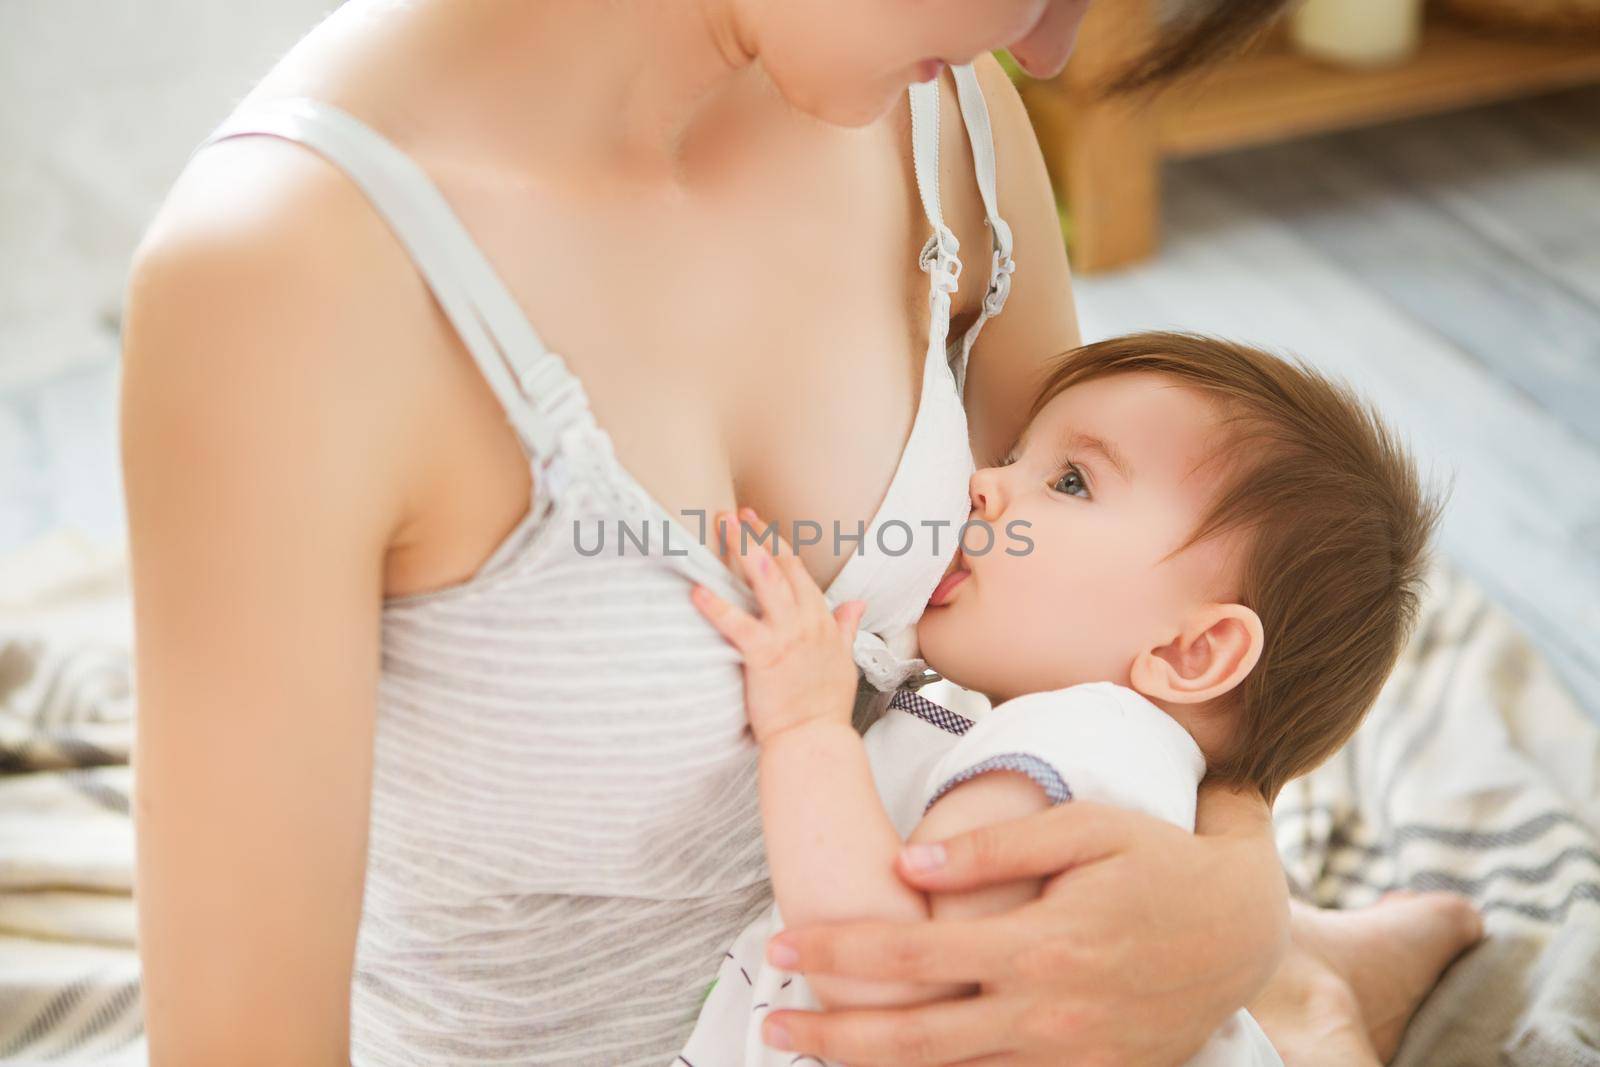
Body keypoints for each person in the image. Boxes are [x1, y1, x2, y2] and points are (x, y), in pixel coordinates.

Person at [118, 1, 1471, 1063]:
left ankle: (1307, 972)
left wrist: (1234, 902)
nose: (1049, 39)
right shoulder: (284, 281)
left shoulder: (949, 119)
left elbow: (1156, 635)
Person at [683, 332, 1482, 1066]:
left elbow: (895, 979)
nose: (984, 484)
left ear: (1191, 651)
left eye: (1070, 481)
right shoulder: (1102, 752)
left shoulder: (1074, 743)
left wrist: (806, 728)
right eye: (1013, 454)